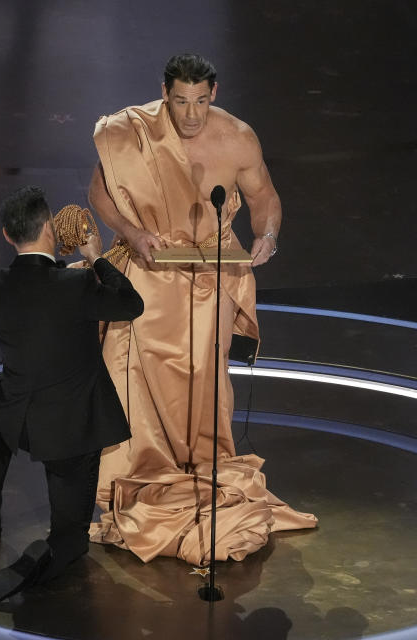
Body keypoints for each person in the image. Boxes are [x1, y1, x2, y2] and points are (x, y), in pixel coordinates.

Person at [86, 53, 317, 566]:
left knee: (202, 379)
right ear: (164, 93)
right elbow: (98, 192)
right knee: (136, 381)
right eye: (180, 101)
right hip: (147, 270)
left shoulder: (238, 137)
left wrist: (268, 236)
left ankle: (199, 465)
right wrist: (129, 232)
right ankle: (137, 473)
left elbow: (265, 197)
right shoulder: (130, 132)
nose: (190, 114)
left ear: (215, 92)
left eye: (200, 101)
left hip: (210, 277)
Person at [0, 185, 144, 605]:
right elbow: (130, 304)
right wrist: (95, 256)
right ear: (51, 228)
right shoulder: (75, 286)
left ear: (8, 237)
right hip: (68, 426)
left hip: (16, 414)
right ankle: (63, 546)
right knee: (72, 539)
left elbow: (23, 314)